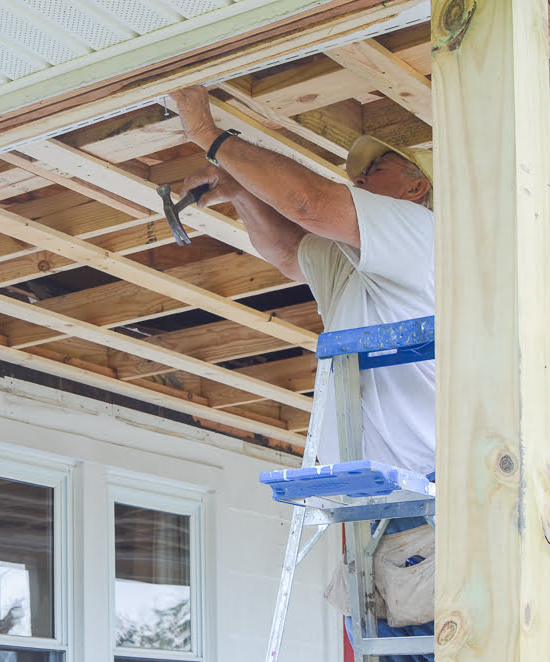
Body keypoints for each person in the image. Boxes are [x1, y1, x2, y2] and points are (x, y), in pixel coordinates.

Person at [170, 86, 435, 661]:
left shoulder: (420, 232)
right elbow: (292, 250)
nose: (358, 180)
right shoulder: (354, 265)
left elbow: (312, 203)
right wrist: (240, 191)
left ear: (417, 186)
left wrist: (209, 136)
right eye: (354, 174)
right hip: (377, 509)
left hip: (424, 494)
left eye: (375, 169)